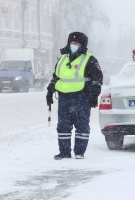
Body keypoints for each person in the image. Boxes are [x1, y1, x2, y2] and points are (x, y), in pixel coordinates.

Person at [46, 32, 103, 160]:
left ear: (82, 45)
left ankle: (79, 152)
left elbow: (97, 79)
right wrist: (50, 91)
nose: (73, 45)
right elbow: (56, 77)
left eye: (76, 43)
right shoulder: (62, 58)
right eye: (72, 42)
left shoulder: (90, 59)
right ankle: (64, 152)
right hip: (64, 97)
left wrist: (94, 94)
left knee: (81, 125)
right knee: (63, 126)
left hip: (82, 97)